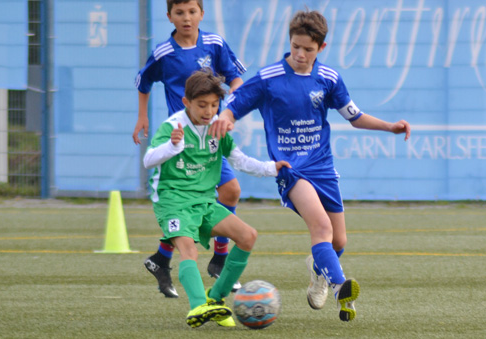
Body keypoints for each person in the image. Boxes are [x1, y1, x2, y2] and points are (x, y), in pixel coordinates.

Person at [210, 9, 411, 322]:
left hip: (323, 167)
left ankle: (319, 273)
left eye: (308, 49)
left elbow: (354, 116)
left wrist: (390, 127)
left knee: (338, 241)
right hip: (290, 168)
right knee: (321, 228)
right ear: (289, 42)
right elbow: (235, 105)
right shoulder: (269, 78)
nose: (300, 54)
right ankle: (339, 285)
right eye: (296, 47)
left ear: (321, 48)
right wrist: (225, 117)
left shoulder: (328, 78)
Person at [143, 70, 290, 327]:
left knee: (248, 236)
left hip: (205, 201)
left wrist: (270, 168)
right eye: (202, 105)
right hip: (173, 200)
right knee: (188, 249)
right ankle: (198, 307)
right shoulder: (172, 127)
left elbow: (239, 160)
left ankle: (215, 300)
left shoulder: (216, 129)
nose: (209, 111)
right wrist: (171, 147)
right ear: (186, 102)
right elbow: (148, 160)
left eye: (214, 105)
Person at [133, 0, 247, 298]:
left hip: (208, 134)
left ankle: (165, 258)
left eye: (192, 11)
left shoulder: (214, 43)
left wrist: (228, 111)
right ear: (169, 16)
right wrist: (143, 116)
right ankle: (216, 262)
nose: (186, 18)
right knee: (197, 203)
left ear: (202, 14)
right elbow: (143, 82)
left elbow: (236, 78)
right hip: (183, 142)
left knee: (230, 191)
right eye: (179, 13)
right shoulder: (164, 53)